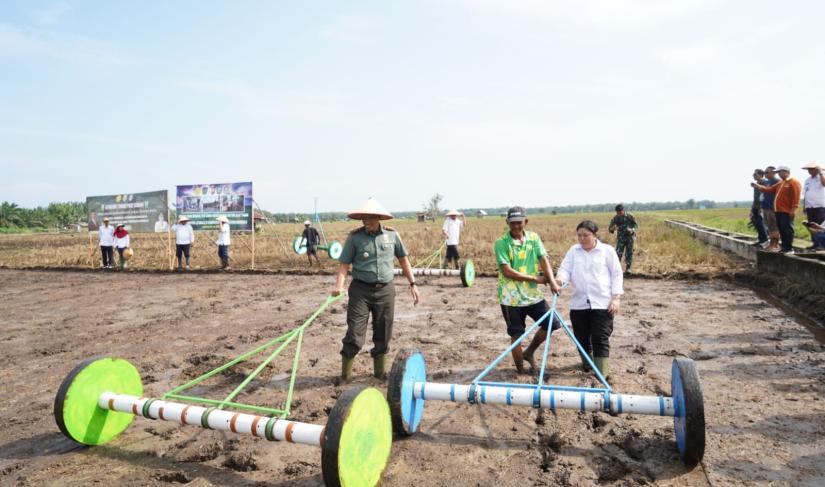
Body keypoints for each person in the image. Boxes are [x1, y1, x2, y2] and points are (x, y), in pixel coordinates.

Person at [332, 198, 420, 383]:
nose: (366, 221)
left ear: (379, 218)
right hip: (360, 292)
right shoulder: (355, 238)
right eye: (364, 218)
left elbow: (403, 260)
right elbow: (344, 265)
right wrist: (339, 286)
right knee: (355, 334)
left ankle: (380, 374)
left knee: (383, 333)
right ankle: (345, 376)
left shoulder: (392, 235)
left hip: (386, 291)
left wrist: (413, 284)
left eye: (370, 218)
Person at [493, 206, 562, 375]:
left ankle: (529, 352)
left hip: (531, 295)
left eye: (520, 223)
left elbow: (543, 259)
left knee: (552, 323)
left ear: (526, 222)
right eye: (513, 223)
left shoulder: (533, 238)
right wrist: (536, 279)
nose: (516, 226)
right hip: (511, 298)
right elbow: (507, 271)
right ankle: (520, 371)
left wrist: (552, 281)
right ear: (507, 222)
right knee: (517, 334)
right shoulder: (501, 243)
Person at [556, 220, 624, 380]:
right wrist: (560, 280)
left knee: (600, 337)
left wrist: (616, 298)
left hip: (602, 302)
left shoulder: (607, 251)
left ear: (595, 235)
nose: (582, 239)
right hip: (579, 303)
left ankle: (601, 373)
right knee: (581, 337)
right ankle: (587, 364)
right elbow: (565, 269)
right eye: (579, 235)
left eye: (586, 235)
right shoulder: (574, 251)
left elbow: (617, 274)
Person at [753, 165, 802, 253]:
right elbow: (769, 190)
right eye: (778, 172)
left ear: (786, 172)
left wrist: (793, 209)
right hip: (778, 210)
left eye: (781, 172)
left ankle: (789, 248)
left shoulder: (793, 182)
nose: (779, 174)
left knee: (787, 229)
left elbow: (796, 197)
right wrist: (758, 186)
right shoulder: (780, 183)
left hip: (786, 210)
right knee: (782, 229)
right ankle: (784, 247)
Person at [608, 204, 638, 273]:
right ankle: (617, 269)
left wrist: (632, 229)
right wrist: (613, 228)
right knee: (618, 253)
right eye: (617, 213)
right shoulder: (615, 218)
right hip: (621, 238)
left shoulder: (630, 216)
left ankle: (628, 269)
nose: (619, 214)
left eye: (620, 212)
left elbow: (636, 225)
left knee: (629, 253)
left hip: (630, 238)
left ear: (623, 210)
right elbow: (610, 229)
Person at [801, 162, 825, 249]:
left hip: (819, 206)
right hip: (809, 207)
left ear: (816, 169)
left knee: (819, 226)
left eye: (811, 169)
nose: (809, 171)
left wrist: (821, 173)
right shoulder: (807, 180)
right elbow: (805, 193)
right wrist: (804, 205)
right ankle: (815, 243)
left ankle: (821, 245)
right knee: (810, 225)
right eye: (808, 169)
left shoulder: (821, 177)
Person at [760, 166, 781, 251]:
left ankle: (775, 245)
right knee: (769, 227)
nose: (765, 174)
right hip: (766, 208)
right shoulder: (768, 182)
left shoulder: (777, 182)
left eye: (767, 172)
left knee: (774, 227)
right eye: (765, 172)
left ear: (774, 172)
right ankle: (772, 243)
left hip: (772, 208)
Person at [749, 169, 768, 246]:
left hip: (761, 206)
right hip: (755, 206)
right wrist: (752, 209)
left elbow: (764, 196)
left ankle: (764, 240)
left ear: (761, 175)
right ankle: (761, 239)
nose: (753, 175)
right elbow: (755, 198)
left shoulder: (764, 183)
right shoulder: (756, 183)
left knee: (760, 223)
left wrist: (761, 207)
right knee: (756, 223)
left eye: (755, 174)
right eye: (753, 174)